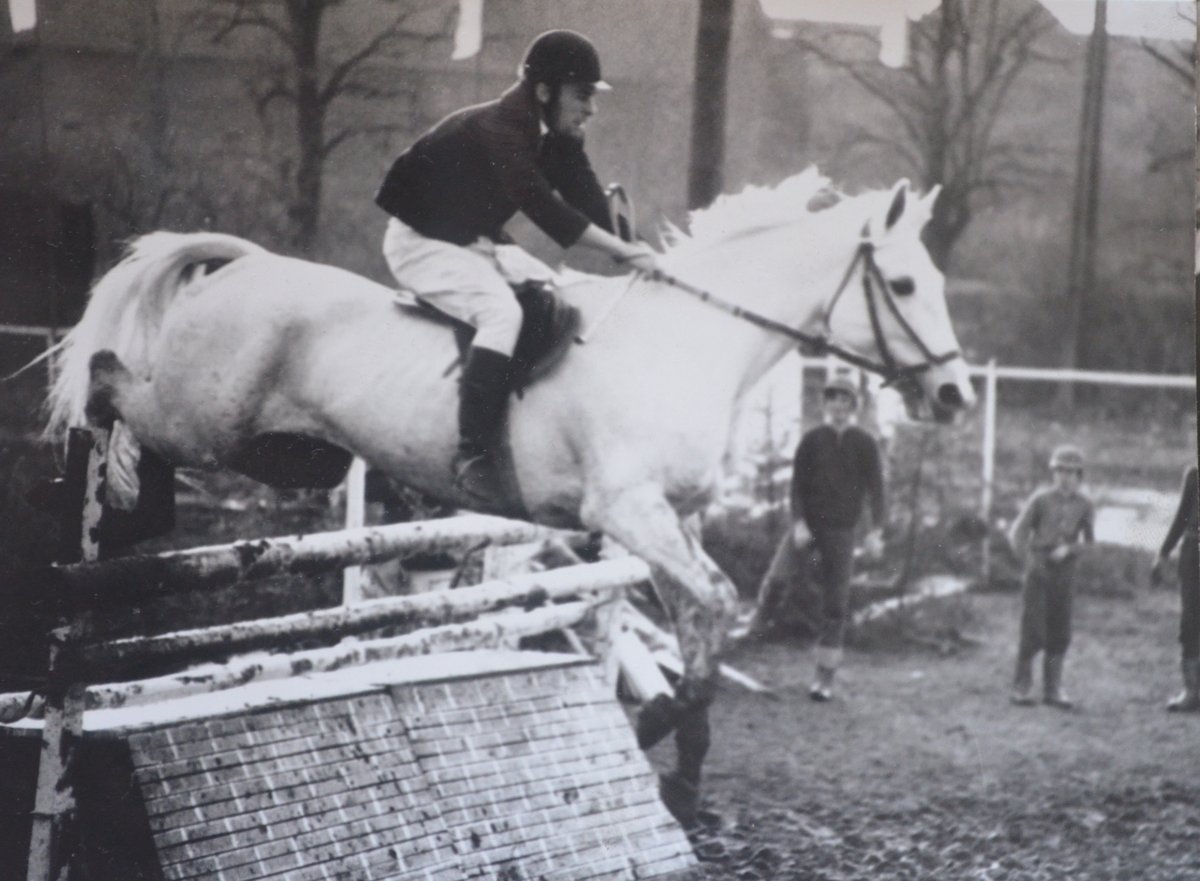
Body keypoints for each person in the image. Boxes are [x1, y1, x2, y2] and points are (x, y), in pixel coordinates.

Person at [375, 29, 661, 501]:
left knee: (553, 292)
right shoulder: (501, 128)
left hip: (473, 239)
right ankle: (473, 451)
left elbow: (587, 199)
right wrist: (625, 252)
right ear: (545, 91)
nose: (591, 108)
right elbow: (545, 209)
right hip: (420, 242)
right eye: (583, 95)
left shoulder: (558, 135)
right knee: (500, 314)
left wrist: (636, 248)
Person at [751, 374, 886, 701]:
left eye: (845, 401)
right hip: (808, 526)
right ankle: (756, 629)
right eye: (833, 400)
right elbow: (796, 487)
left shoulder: (865, 444)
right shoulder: (811, 441)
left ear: (854, 406)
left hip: (841, 532)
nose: (838, 407)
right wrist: (798, 523)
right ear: (825, 404)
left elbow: (877, 491)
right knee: (777, 577)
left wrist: (876, 532)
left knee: (835, 605)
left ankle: (824, 676)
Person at [1007, 445, 1095, 709]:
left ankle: (1053, 690)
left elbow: (1090, 543)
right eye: (1059, 471)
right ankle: (1021, 687)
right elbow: (1017, 534)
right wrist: (1030, 561)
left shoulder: (1084, 504)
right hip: (1039, 567)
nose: (1064, 477)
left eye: (1071, 472)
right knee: (1032, 627)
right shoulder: (1041, 499)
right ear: (1052, 473)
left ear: (1079, 475)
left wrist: (1070, 549)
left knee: (1060, 629)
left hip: (1065, 571)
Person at [1152, 463, 1199, 712]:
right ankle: (1192, 691)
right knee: (1191, 621)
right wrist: (1163, 554)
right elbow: (1181, 517)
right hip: (1193, 554)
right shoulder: (1193, 475)